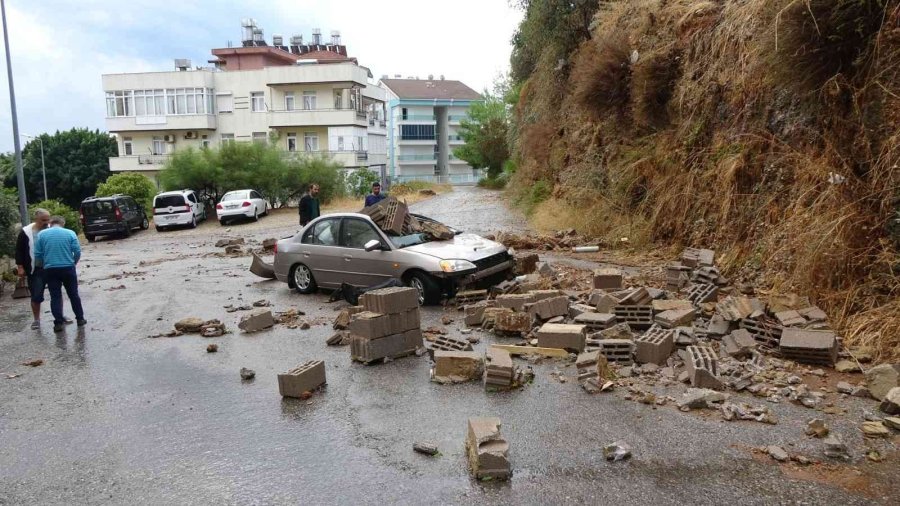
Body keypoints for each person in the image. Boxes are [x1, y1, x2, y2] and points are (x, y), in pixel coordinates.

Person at [33, 216, 86, 332]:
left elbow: (37, 254)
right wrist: (73, 262)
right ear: (63, 223)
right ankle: (80, 319)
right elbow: (77, 251)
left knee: (55, 296)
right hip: (68, 267)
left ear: (50, 223)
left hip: (50, 269)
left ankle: (58, 323)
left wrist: (44, 264)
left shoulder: (42, 235)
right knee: (73, 294)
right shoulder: (70, 233)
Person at [15, 208, 51, 329]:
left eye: (48, 219)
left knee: (56, 293)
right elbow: (19, 250)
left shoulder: (52, 229)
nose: (46, 222)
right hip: (35, 269)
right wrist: (20, 267)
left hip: (51, 268)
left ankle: (60, 316)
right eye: (43, 220)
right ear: (36, 219)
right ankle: (36, 320)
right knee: (36, 295)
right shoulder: (26, 232)